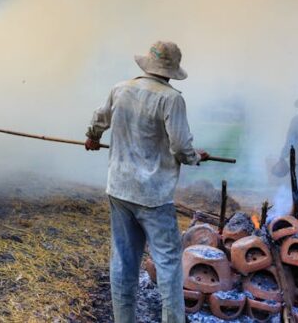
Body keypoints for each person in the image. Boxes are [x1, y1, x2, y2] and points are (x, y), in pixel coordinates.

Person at [84, 41, 208, 323]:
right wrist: (195, 157)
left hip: (119, 189)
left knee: (124, 261)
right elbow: (180, 146)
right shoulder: (171, 98)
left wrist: (92, 137)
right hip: (154, 196)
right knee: (168, 264)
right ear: (171, 70)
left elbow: (99, 119)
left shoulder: (120, 89)